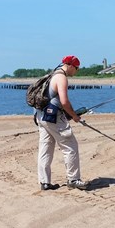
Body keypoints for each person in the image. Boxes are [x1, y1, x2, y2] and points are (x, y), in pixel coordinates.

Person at [36, 55, 89, 191]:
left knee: (45, 148)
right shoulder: (62, 78)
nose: (76, 71)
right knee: (70, 145)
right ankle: (73, 179)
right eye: (76, 68)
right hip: (53, 117)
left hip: (41, 116)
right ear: (70, 65)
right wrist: (74, 116)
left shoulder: (53, 74)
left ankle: (44, 182)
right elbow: (64, 102)